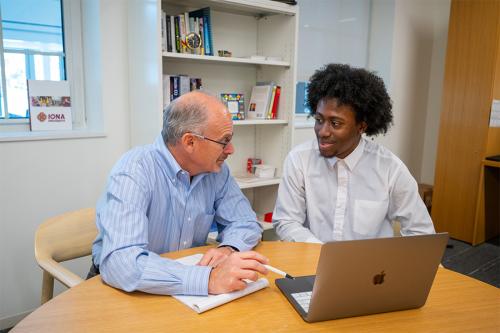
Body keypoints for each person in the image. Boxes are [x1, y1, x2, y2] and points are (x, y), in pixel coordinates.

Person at [90, 91, 269, 296]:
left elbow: (245, 222)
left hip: (182, 284)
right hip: (125, 287)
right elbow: (121, 262)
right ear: (190, 142)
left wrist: (228, 248)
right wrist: (208, 280)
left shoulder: (216, 171)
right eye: (224, 141)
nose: (231, 149)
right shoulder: (134, 170)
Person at [273, 63, 435, 243]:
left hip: (371, 269)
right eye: (319, 119)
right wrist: (325, 255)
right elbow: (286, 222)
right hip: (311, 262)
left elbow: (421, 232)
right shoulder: (299, 160)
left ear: (361, 126)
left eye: (335, 123)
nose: (322, 131)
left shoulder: (390, 169)